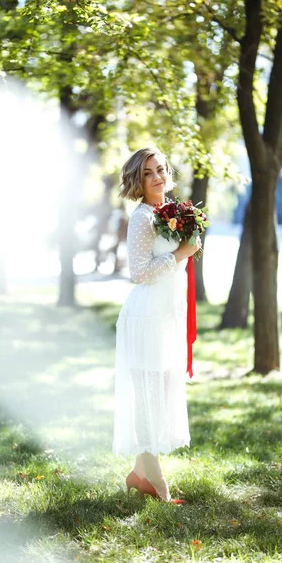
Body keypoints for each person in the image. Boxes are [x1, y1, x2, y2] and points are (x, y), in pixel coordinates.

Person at [112, 147, 201, 503]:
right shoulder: (141, 218)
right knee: (148, 403)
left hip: (167, 316)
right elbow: (139, 273)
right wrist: (181, 253)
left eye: (161, 169)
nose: (158, 177)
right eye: (149, 172)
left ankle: (139, 475)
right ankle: (160, 488)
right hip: (146, 317)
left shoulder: (171, 213)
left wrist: (186, 247)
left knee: (159, 400)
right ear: (138, 179)